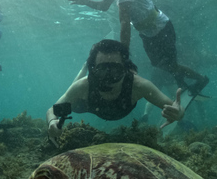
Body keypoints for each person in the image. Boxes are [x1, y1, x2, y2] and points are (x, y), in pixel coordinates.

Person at [68, 0, 209, 95]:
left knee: (170, 64)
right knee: (159, 63)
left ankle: (200, 79)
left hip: (161, 28)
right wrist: (86, 1)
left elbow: (124, 22)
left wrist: (124, 53)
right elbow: (104, 6)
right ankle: (183, 83)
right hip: (149, 31)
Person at [46, 39, 184, 147]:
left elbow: (176, 109)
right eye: (102, 70)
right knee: (71, 105)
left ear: (125, 69)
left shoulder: (139, 86)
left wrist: (178, 113)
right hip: (85, 105)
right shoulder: (83, 87)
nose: (108, 78)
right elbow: (53, 110)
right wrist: (53, 121)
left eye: (115, 70)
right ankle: (83, 70)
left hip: (101, 101)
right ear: (93, 70)